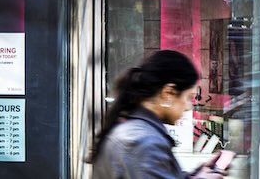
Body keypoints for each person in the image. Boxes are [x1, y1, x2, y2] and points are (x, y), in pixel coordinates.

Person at [90, 50, 227, 179]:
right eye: (188, 97)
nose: (188, 107)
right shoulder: (143, 143)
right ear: (168, 93)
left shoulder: (134, 130)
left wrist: (196, 174)